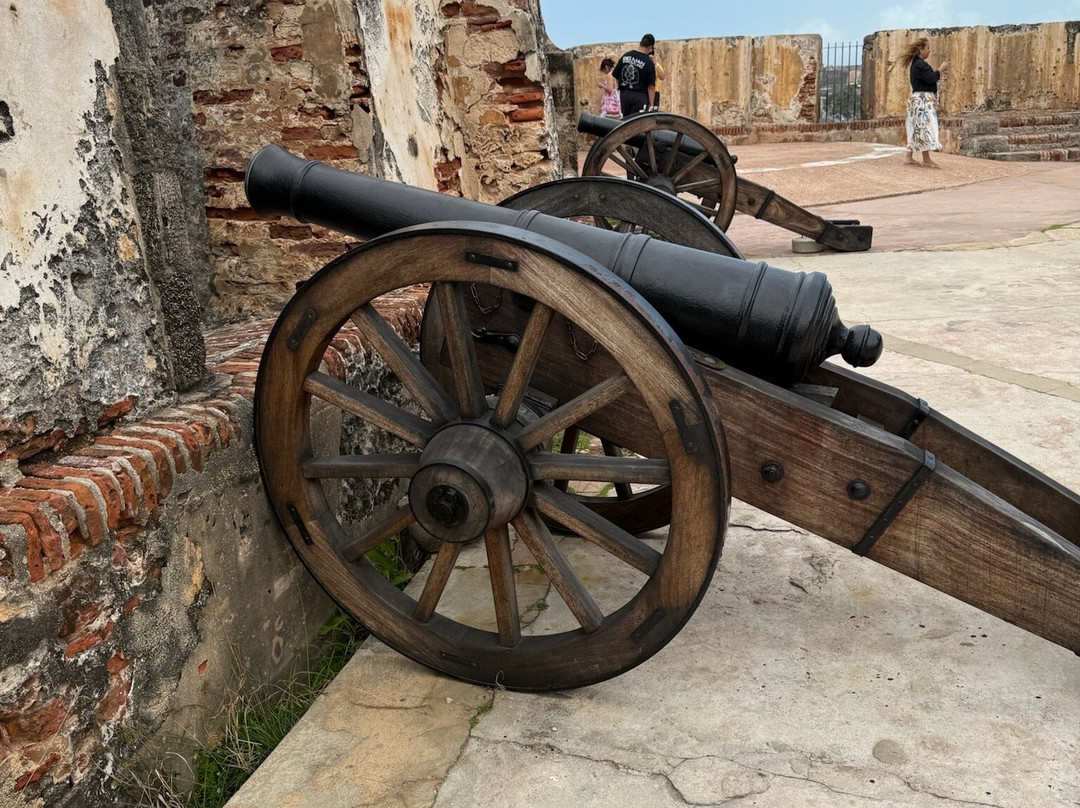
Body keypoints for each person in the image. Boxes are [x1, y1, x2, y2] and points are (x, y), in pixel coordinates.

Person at [902, 37, 949, 168]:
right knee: (925, 127)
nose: (929, 51)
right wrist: (940, 69)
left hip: (919, 100)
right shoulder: (919, 65)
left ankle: (909, 156)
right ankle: (926, 159)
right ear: (920, 49)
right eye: (927, 48)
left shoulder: (917, 64)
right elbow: (931, 79)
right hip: (922, 102)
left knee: (917, 127)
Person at [613, 34, 657, 117]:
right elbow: (651, 87)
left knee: (626, 122)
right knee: (637, 124)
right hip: (639, 97)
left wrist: (623, 88)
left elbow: (616, 75)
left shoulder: (626, 56)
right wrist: (651, 105)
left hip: (625, 95)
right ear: (650, 47)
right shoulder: (648, 62)